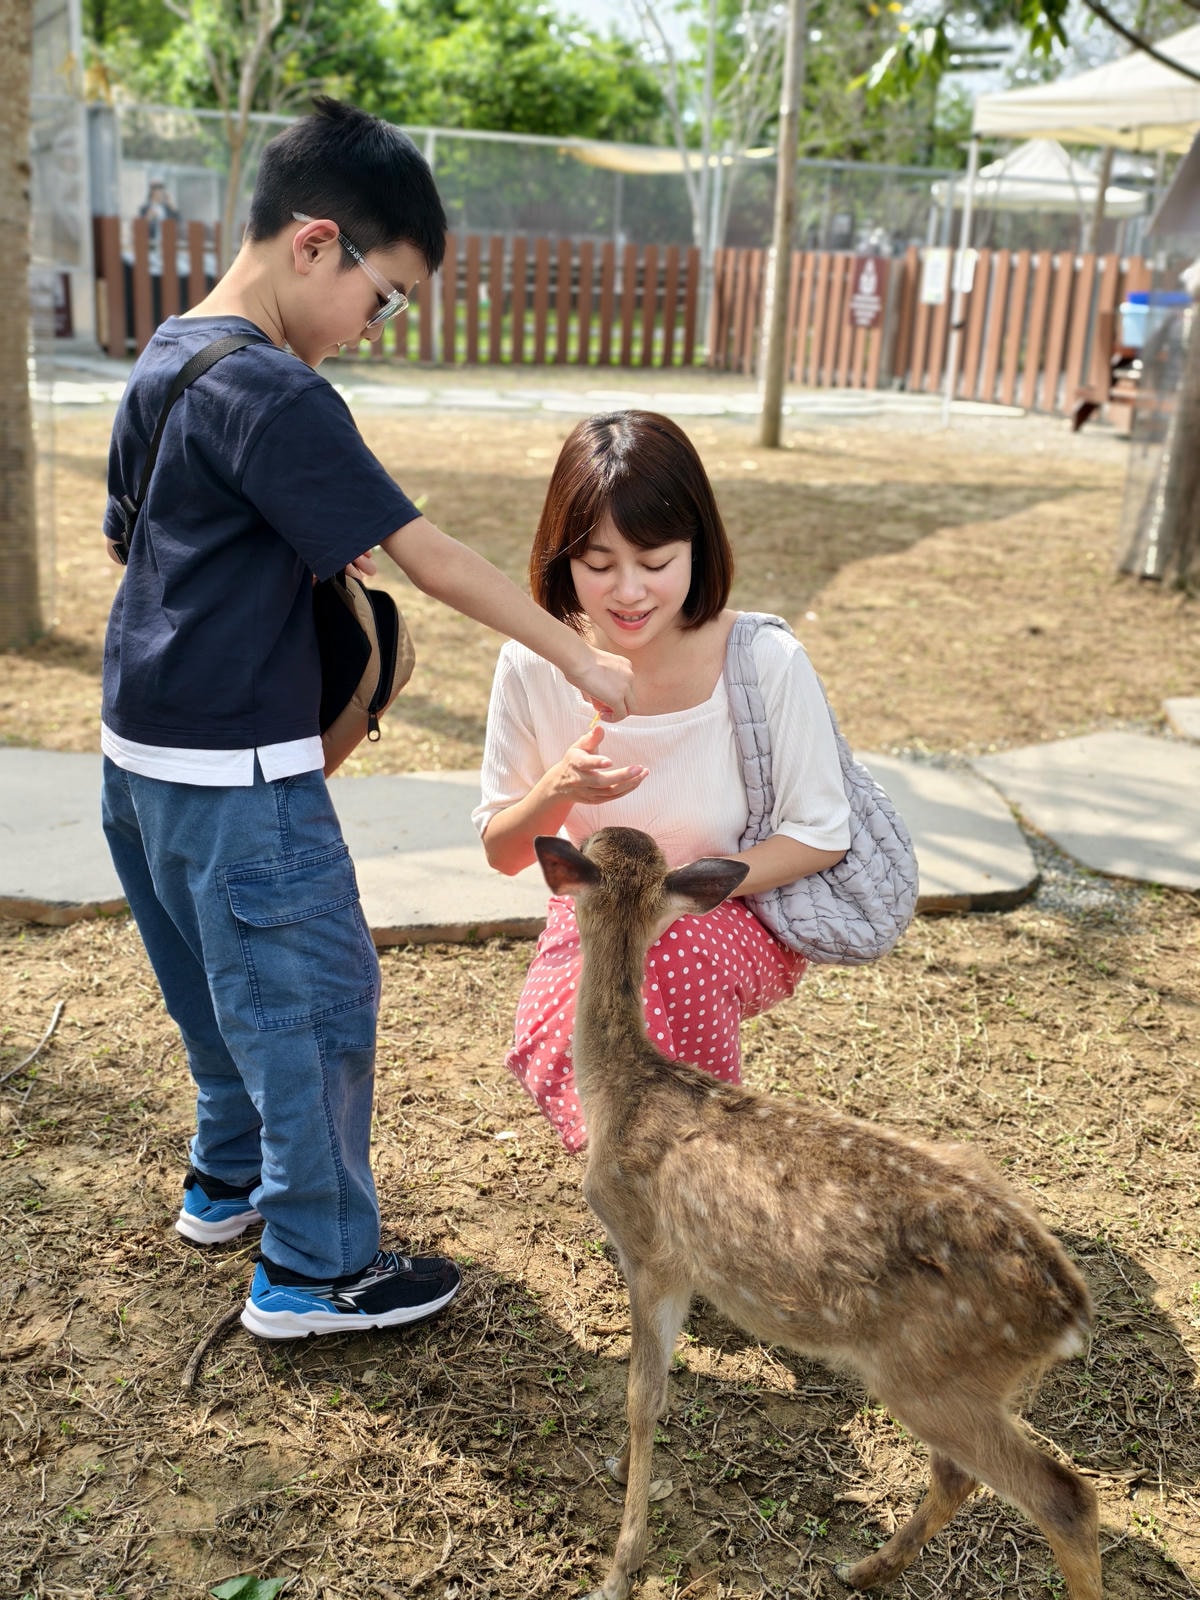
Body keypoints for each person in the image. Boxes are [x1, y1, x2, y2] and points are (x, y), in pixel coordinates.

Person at [100, 98, 634, 1340]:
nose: (378, 327)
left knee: (214, 992)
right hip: (242, 780)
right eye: (383, 295)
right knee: (313, 1001)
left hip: (139, 767)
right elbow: (428, 556)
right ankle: (317, 1264)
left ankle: (226, 1178)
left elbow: (134, 539)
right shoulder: (280, 394)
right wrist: (581, 658)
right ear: (314, 243)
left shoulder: (168, 353)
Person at [472, 410, 852, 1153]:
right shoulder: (533, 663)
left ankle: (698, 1163)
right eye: (598, 561)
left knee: (671, 956)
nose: (629, 591)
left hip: (735, 911)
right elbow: (502, 850)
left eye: (655, 561)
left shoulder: (762, 660)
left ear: (698, 549)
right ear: (561, 558)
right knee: (565, 1017)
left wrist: (684, 893)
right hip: (602, 911)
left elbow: (820, 833)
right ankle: (640, 1160)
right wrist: (557, 788)